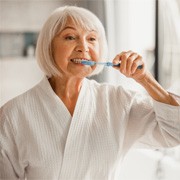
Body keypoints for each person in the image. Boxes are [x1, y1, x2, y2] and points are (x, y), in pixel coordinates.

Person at [0, 6, 180, 180]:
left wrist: (145, 79)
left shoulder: (119, 101)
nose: (83, 47)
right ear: (48, 46)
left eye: (92, 39)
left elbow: (175, 131)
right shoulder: (13, 114)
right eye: (70, 37)